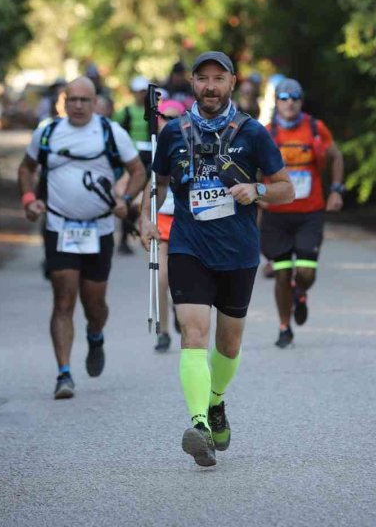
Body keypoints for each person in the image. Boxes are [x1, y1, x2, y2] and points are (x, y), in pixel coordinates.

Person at [140, 51, 294, 466]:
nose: (210, 86)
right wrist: (145, 218)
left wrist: (257, 191)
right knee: (193, 334)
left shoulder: (253, 133)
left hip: (239, 251)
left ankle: (216, 403)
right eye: (202, 78)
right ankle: (199, 426)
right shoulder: (173, 132)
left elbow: (287, 189)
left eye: (218, 78)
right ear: (192, 82)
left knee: (228, 342)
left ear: (232, 83)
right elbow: (156, 184)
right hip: (189, 247)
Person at [18, 77, 147, 399]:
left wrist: (126, 200)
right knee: (63, 298)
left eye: (84, 100)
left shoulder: (110, 132)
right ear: (63, 101)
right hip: (59, 227)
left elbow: (139, 171)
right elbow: (26, 168)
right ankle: (64, 374)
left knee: (94, 303)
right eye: (72, 99)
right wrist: (29, 199)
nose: (77, 106)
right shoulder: (47, 132)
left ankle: (95, 333)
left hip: (99, 228)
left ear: (94, 102)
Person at [260, 78, 345, 349]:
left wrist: (336, 190)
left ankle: (300, 292)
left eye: (294, 98)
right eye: (284, 98)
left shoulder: (315, 128)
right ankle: (284, 327)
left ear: (301, 101)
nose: (290, 103)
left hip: (310, 212)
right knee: (282, 273)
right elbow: (249, 165)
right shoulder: (266, 132)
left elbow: (337, 157)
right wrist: (255, 194)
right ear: (277, 102)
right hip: (277, 214)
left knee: (306, 273)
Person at [151, 99, 186, 353]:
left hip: (185, 223)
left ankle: (180, 310)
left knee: (182, 279)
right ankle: (163, 331)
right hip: (162, 223)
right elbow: (147, 184)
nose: (169, 122)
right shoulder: (154, 147)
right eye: (165, 117)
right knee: (161, 278)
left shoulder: (192, 145)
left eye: (176, 118)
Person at [115, 76, 153, 255]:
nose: (141, 95)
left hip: (150, 160)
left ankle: (138, 230)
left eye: (144, 92)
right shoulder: (125, 112)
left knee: (144, 200)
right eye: (139, 91)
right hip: (131, 162)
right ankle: (123, 239)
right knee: (128, 199)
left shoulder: (154, 112)